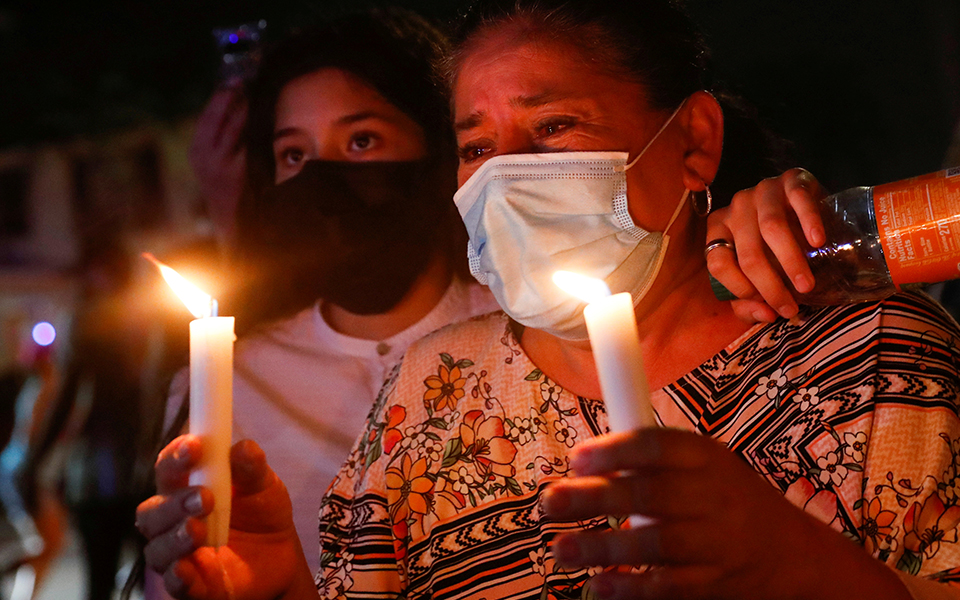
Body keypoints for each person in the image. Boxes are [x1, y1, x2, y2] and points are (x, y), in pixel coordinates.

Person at [137, 1, 960, 599]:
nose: (507, 177)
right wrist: (277, 588)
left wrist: (803, 571)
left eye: (556, 126)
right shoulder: (433, 389)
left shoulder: (872, 353)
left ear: (695, 142)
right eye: (477, 147)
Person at [154, 8, 501, 585]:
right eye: (294, 154)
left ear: (438, 151)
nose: (322, 178)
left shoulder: (535, 337)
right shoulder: (227, 382)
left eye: (362, 140)